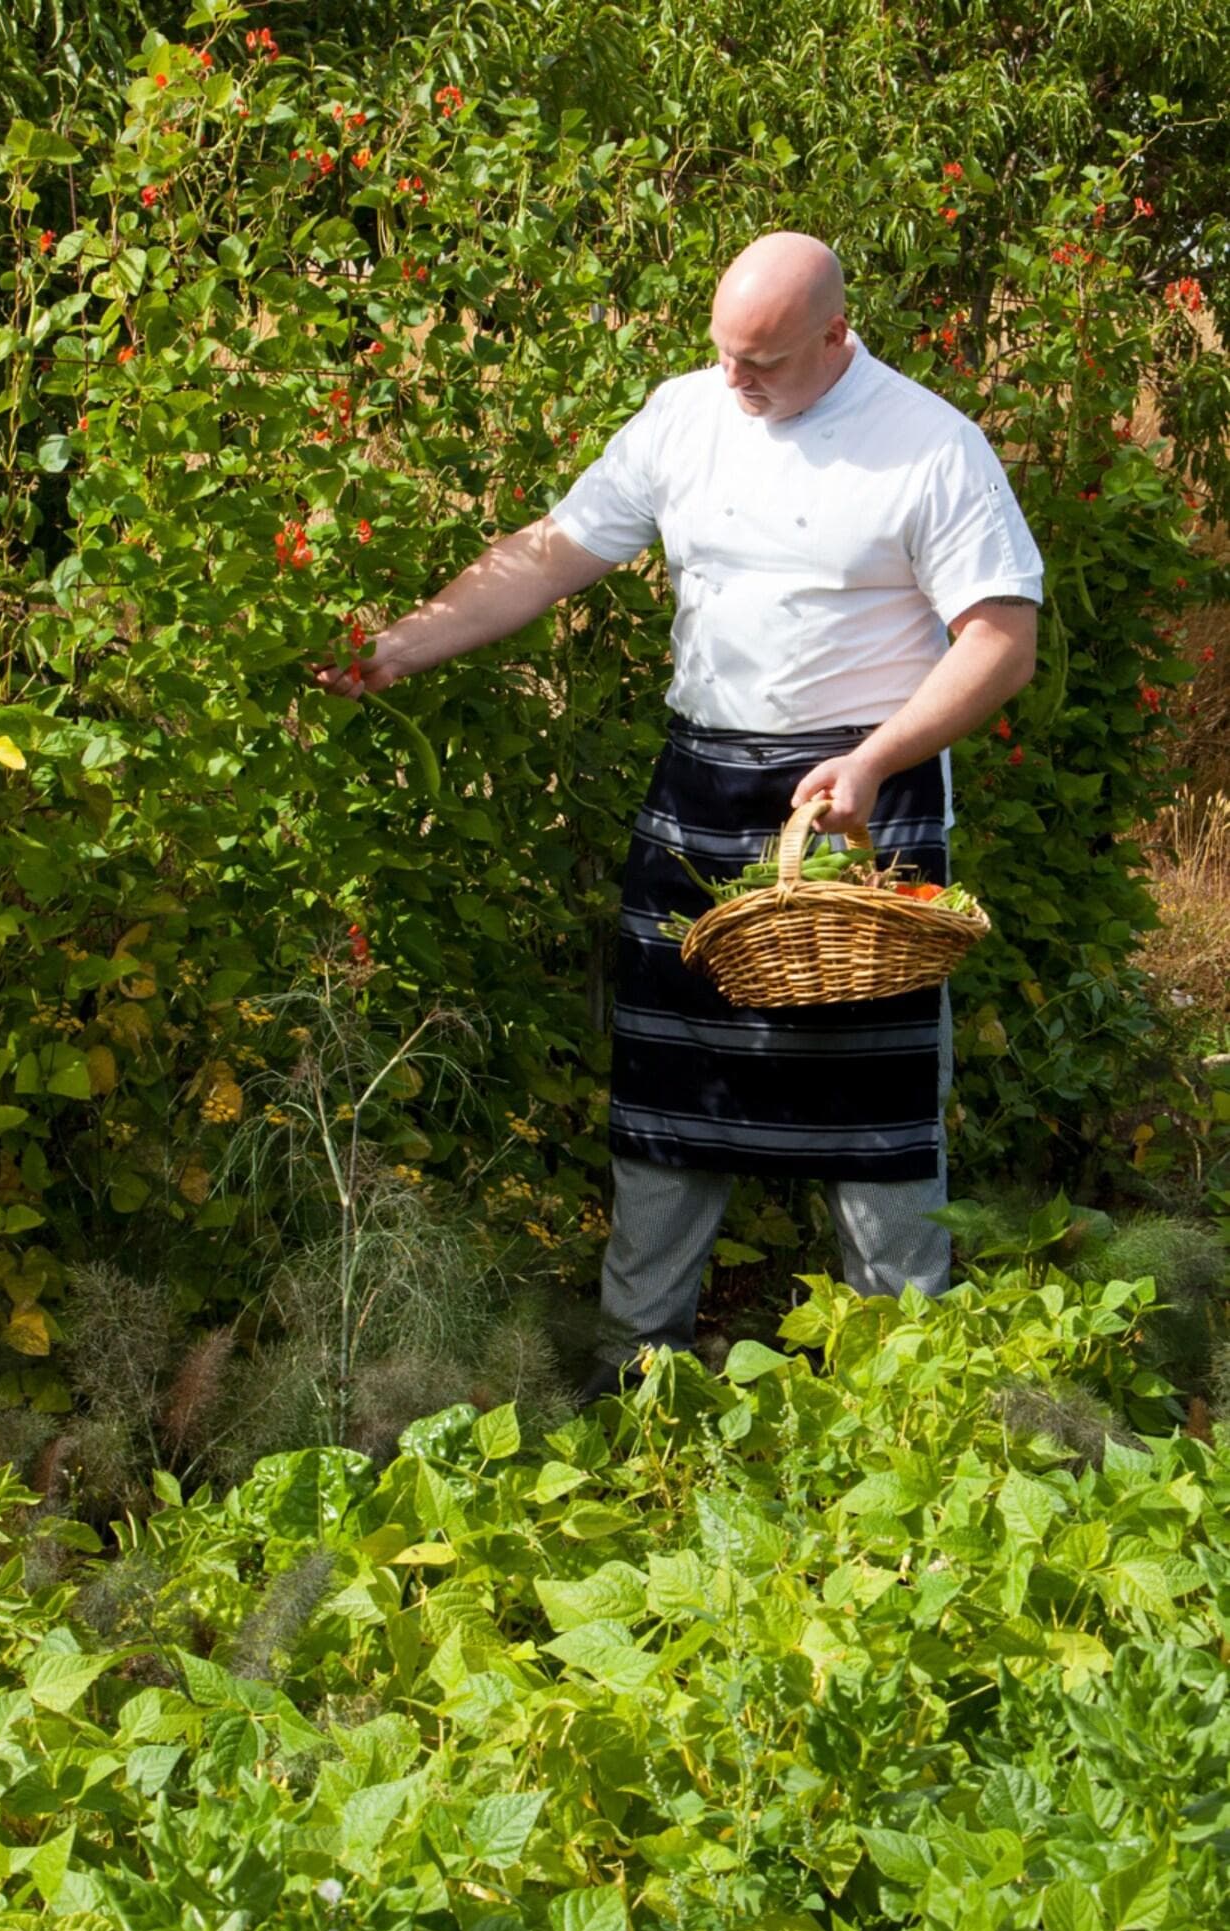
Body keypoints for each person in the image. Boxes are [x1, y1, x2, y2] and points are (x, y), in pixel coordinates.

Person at [310, 232, 1043, 1398]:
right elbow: (548, 555)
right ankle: (632, 1379)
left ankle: (906, 1394)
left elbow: (1001, 641)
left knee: (876, 1110)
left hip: (862, 801)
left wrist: (873, 758)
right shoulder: (683, 414)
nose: (734, 378)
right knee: (667, 1093)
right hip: (700, 785)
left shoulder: (928, 444)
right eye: (722, 351)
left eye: (763, 360)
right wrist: (397, 646)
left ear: (836, 335)